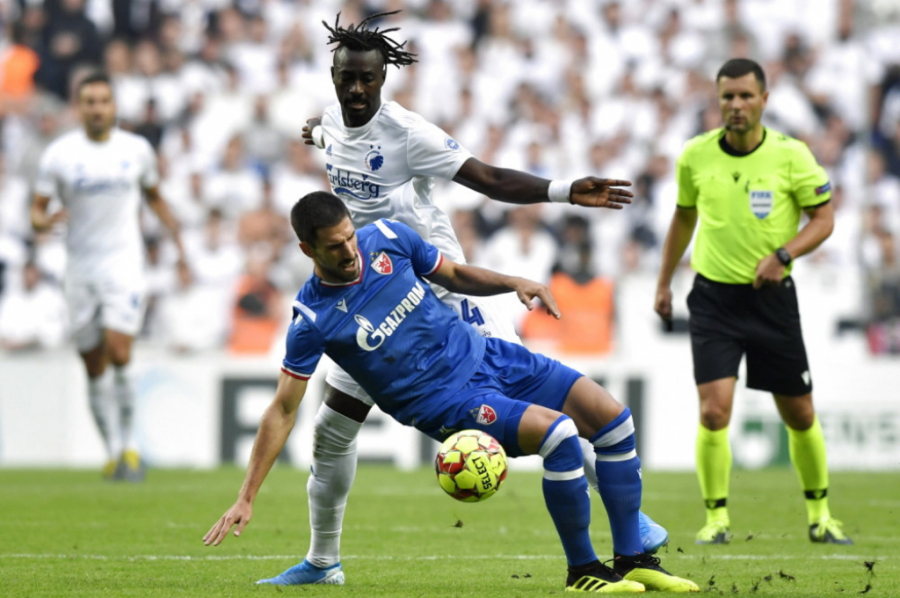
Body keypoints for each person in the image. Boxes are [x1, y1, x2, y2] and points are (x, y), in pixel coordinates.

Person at [294, 11, 666, 582]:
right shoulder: (332, 122)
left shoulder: (407, 133)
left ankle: (630, 524)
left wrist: (565, 190)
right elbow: (332, 136)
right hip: (371, 297)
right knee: (333, 427)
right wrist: (316, 133)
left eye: (368, 78)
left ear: (384, 77)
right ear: (334, 75)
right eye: (348, 78)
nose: (358, 88)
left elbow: (488, 179)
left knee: (545, 409)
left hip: (439, 289)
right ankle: (322, 562)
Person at [204, 191, 699, 594]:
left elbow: (456, 275)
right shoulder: (312, 319)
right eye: (335, 246)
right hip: (444, 402)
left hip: (488, 355)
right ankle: (584, 572)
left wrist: (513, 282)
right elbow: (282, 410)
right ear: (306, 249)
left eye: (350, 236)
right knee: (560, 435)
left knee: (613, 419)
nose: (350, 251)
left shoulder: (388, 239)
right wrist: (246, 497)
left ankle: (632, 559)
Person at [654, 59, 850, 545]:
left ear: (764, 99)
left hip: (771, 300)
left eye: (745, 96)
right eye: (728, 97)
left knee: (799, 414)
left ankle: (820, 516)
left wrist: (784, 255)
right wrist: (664, 283)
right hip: (713, 299)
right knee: (713, 412)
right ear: (717, 100)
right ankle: (716, 520)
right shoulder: (695, 155)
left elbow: (824, 219)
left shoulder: (792, 155)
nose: (736, 105)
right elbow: (683, 218)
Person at [31, 72, 186, 481]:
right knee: (93, 364)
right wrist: (44, 221)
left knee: (119, 351)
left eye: (103, 101)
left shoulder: (135, 150)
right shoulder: (59, 155)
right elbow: (36, 210)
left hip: (124, 264)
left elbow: (154, 196)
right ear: (79, 107)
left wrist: (177, 238)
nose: (97, 108)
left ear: (114, 106)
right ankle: (113, 449)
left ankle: (129, 447)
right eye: (90, 102)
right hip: (79, 268)